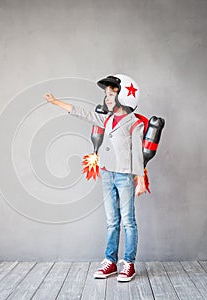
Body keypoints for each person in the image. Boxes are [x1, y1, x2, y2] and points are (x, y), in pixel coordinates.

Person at [44, 74, 147, 282]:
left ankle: (129, 263)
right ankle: (110, 261)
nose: (107, 98)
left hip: (124, 176)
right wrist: (57, 103)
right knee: (112, 221)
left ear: (126, 95)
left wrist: (141, 180)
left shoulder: (134, 124)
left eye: (111, 94)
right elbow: (83, 113)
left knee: (128, 221)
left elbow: (137, 154)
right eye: (106, 95)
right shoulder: (107, 119)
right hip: (107, 173)